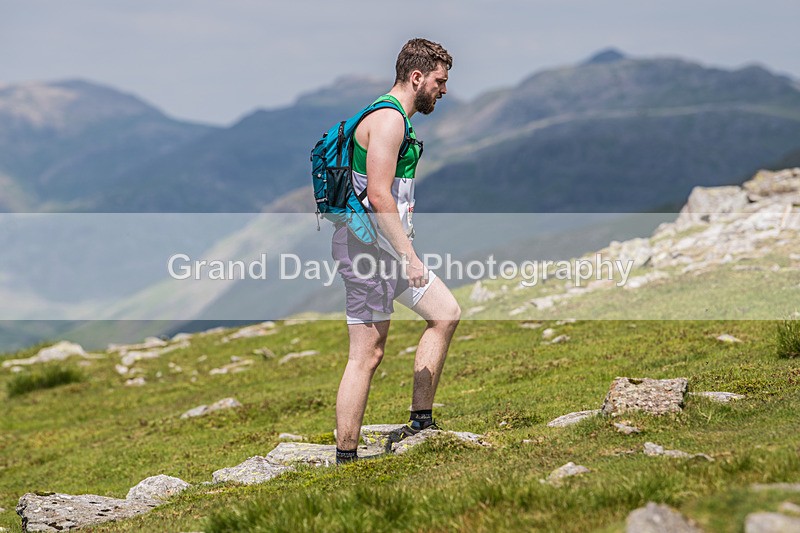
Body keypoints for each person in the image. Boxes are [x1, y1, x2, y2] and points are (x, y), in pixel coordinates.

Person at [332, 38, 460, 464]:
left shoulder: (394, 119)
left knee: (445, 314)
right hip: (368, 251)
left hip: (384, 248)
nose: (443, 90)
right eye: (440, 81)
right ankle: (345, 458)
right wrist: (409, 256)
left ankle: (421, 421)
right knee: (366, 356)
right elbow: (380, 196)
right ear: (417, 76)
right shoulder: (388, 120)